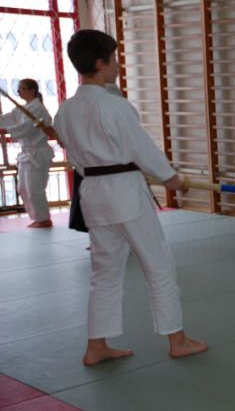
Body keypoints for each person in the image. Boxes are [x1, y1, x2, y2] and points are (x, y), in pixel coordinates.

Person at [53, 29, 207, 366]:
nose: (117, 65)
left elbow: (77, 158)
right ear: (100, 63)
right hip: (124, 192)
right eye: (114, 59)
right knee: (159, 265)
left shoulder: (64, 111)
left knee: (104, 271)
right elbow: (142, 150)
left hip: (92, 193)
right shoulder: (115, 106)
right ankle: (177, 340)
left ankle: (97, 345)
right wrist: (172, 179)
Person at [0, 79, 55, 228]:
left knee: (34, 189)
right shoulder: (23, 108)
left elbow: (27, 128)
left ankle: (44, 219)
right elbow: (9, 119)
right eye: (18, 89)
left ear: (32, 90)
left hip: (38, 153)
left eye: (21, 88)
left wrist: (7, 130)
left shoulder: (38, 108)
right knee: (23, 189)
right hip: (27, 153)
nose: (18, 92)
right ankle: (37, 217)